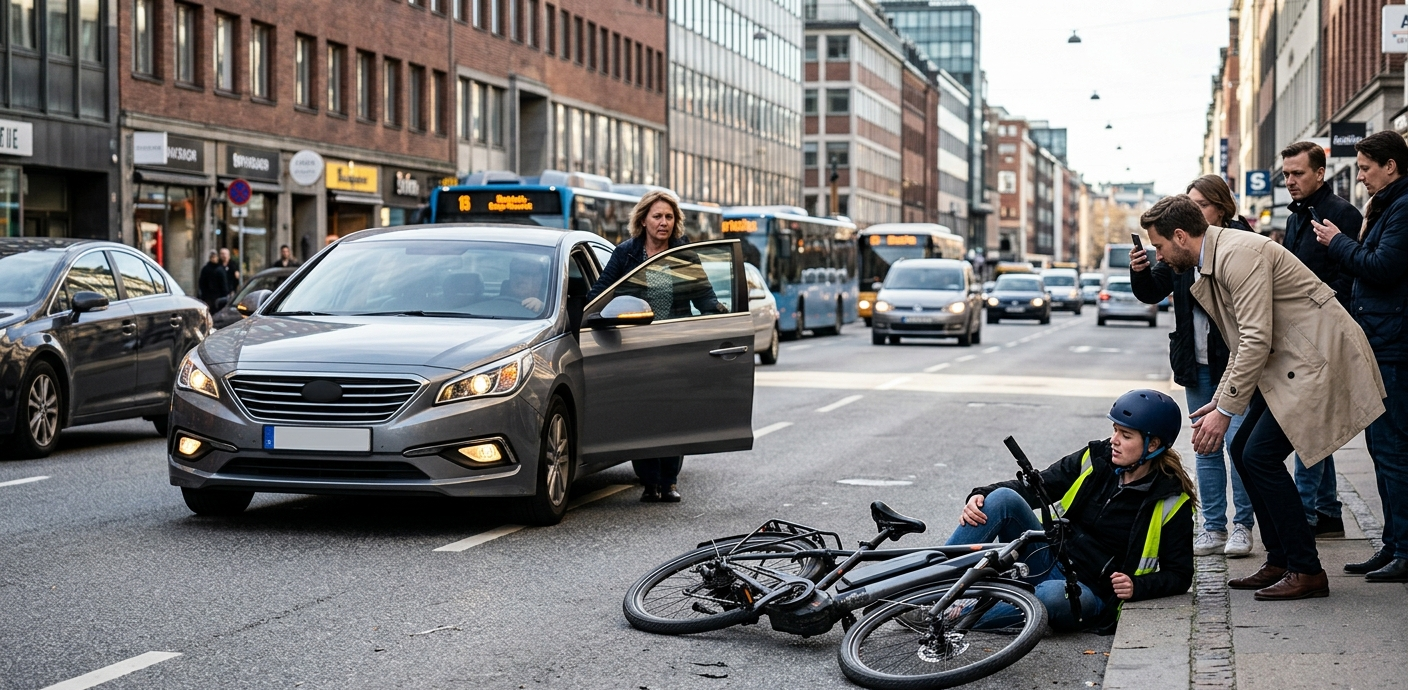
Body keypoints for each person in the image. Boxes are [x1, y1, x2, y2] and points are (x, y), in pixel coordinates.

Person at [1143, 194, 1384, 600]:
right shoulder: (1214, 262)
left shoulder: (1239, 255)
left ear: (1180, 236)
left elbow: (1255, 338)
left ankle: (1307, 570)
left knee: (1259, 456)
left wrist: (1224, 410)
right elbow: (1242, 342)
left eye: (1160, 246)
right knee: (1243, 451)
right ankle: (1281, 559)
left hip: (1317, 360)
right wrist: (1220, 401)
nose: (1159, 256)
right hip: (1294, 363)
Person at [950, 390, 1194, 632]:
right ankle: (930, 589)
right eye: (1115, 430)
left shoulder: (1171, 500)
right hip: (1049, 556)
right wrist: (980, 493)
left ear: (1153, 444)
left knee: (1051, 596)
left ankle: (950, 617)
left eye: (1126, 435)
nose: (1114, 440)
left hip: (1087, 592)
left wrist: (1138, 586)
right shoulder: (1096, 458)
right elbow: (1038, 485)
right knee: (1002, 498)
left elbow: (1180, 575)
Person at [1130, 174, 1256, 559]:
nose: (1194, 210)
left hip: (1233, 360)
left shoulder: (1238, 242)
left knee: (1238, 443)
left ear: (1220, 207)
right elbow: (1153, 290)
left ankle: (1242, 525)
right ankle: (1213, 525)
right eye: (1191, 203)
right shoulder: (1179, 245)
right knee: (1205, 445)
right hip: (1194, 358)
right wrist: (1140, 269)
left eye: (1201, 204)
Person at [586, 190, 726, 503]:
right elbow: (601, 292)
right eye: (657, 216)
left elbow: (702, 294)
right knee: (643, 415)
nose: (663, 223)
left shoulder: (683, 253)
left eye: (669, 217)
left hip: (674, 343)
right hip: (636, 346)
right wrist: (592, 316)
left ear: (675, 222)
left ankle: (670, 481)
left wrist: (719, 312)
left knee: (673, 414)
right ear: (644, 220)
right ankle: (650, 482)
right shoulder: (626, 253)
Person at [1312, 130, 1408, 582]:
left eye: (1367, 168)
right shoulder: (1388, 205)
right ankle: (1392, 545)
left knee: (1394, 452)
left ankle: (1404, 550)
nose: (1362, 176)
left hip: (1394, 345)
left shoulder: (1403, 207)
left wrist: (1338, 243)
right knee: (1382, 450)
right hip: (1380, 340)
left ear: (1390, 166)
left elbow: (1383, 268)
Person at [1282, 140, 1363, 538]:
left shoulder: (1341, 214)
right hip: (1300, 333)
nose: (1290, 181)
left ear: (1320, 173)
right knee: (1313, 425)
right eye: (1286, 175)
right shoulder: (1297, 216)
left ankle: (1307, 514)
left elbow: (1350, 277)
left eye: (1298, 174)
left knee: (1307, 424)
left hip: (1324, 333)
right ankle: (1327, 511)